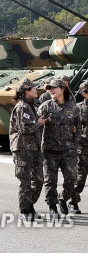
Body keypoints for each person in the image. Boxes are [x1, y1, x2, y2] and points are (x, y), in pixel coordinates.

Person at [37, 79, 81, 218]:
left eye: (53, 88)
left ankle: (62, 199)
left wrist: (74, 143)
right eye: (49, 88)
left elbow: (78, 127)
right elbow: (37, 127)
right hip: (50, 150)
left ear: (62, 89)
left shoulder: (73, 107)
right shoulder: (45, 107)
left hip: (68, 149)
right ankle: (52, 207)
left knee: (72, 178)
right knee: (50, 181)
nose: (51, 90)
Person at [8, 78, 46, 221]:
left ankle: (30, 205)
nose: (36, 90)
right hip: (23, 149)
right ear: (26, 91)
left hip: (34, 148)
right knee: (25, 181)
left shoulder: (31, 106)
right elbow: (24, 128)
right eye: (33, 88)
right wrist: (39, 123)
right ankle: (25, 210)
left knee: (39, 179)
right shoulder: (22, 107)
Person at [69, 81, 88, 214]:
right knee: (80, 179)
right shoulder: (78, 109)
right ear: (83, 94)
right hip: (83, 149)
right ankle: (72, 202)